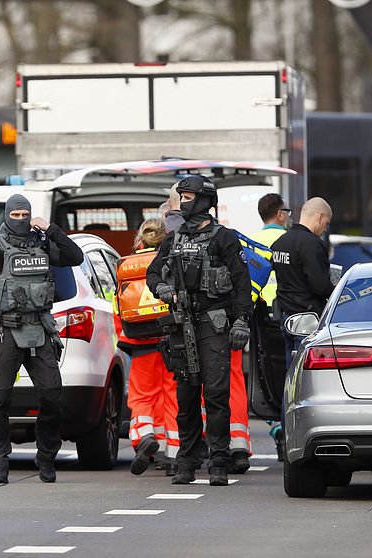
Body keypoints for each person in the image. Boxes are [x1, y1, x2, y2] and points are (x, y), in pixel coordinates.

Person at [0, 194, 84, 484]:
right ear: (7, 215)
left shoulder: (41, 243)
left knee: (52, 394)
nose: (20, 220)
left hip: (40, 329)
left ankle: (46, 458)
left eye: (24, 215)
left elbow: (75, 256)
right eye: (15, 215)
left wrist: (51, 229)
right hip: (5, 331)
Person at [147, 175, 252, 486]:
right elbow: (154, 272)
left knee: (217, 394)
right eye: (182, 196)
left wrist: (242, 320)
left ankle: (218, 460)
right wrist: (163, 289)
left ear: (206, 201)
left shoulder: (225, 238)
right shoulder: (174, 237)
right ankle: (188, 462)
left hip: (213, 322)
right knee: (186, 392)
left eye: (189, 196)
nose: (184, 202)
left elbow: (242, 284)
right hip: (182, 323)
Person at [117, 218, 181, 476]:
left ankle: (144, 436)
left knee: (142, 395)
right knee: (172, 395)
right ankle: (174, 454)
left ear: (140, 240)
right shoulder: (171, 260)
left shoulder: (126, 264)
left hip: (139, 341)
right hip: (170, 338)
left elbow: (118, 307)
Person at [248, 193, 292, 460]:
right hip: (287, 313)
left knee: (262, 374)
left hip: (259, 316)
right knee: (288, 373)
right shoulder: (287, 241)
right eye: (286, 211)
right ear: (279, 214)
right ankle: (287, 426)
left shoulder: (252, 242)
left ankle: (276, 427)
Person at [270, 197, 334, 368]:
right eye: (326, 223)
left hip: (286, 318)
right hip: (307, 321)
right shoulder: (312, 244)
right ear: (320, 217)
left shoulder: (279, 243)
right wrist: (336, 291)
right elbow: (319, 286)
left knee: (290, 376)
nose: (324, 228)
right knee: (303, 379)